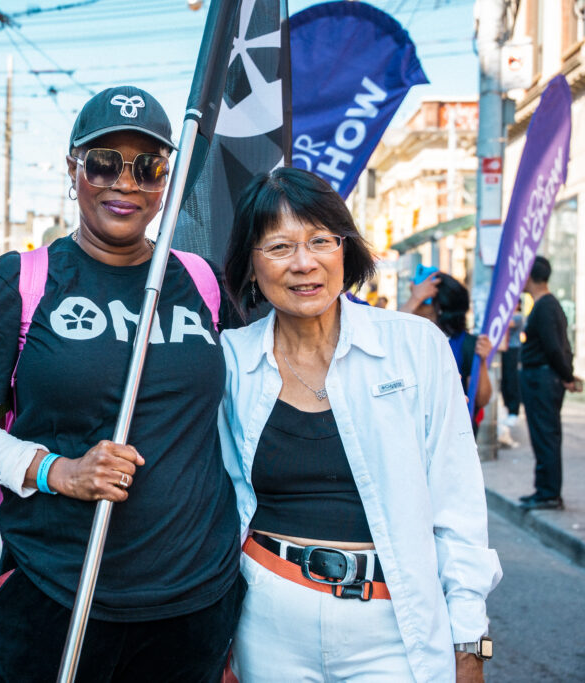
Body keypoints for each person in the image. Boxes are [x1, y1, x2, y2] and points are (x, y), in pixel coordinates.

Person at [0, 85, 243, 681]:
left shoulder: (200, 280)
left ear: (167, 182)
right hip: (57, 594)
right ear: (74, 168)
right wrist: (58, 471)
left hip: (195, 601)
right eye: (103, 162)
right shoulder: (18, 280)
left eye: (147, 167)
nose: (124, 183)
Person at [219, 168, 501, 682]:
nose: (304, 263)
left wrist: (469, 641)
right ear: (251, 264)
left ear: (345, 249)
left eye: (320, 241)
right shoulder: (230, 361)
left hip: (394, 624)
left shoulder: (415, 346)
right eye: (280, 247)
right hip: (269, 621)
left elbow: (458, 504)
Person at [518, 256, 582, 510]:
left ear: (531, 276)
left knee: (546, 435)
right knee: (543, 434)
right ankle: (543, 490)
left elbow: (556, 347)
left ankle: (548, 494)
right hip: (541, 378)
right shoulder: (545, 304)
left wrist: (567, 376)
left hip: (543, 379)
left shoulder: (546, 306)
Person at [408, 272, 493, 428]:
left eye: (423, 300)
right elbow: (392, 333)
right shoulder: (412, 338)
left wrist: (481, 361)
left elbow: (482, 400)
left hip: (456, 437)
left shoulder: (467, 344)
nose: (416, 305)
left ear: (438, 306)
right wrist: (415, 299)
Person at [501, 304, 524, 426]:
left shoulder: (518, 317)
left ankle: (514, 411)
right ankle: (508, 408)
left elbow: (507, 324)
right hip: (505, 349)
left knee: (512, 379)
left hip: (514, 350)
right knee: (505, 380)